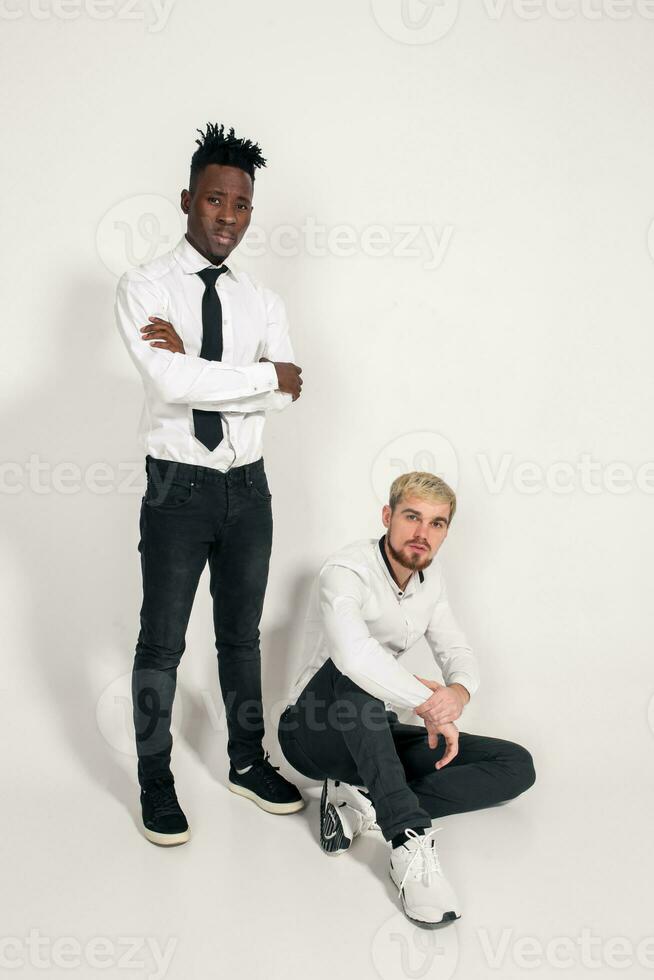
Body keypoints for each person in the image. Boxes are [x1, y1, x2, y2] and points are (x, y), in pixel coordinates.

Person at [115, 122, 305, 847]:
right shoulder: (144, 288)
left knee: (241, 639)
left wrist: (215, 376)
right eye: (216, 199)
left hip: (249, 489)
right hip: (178, 489)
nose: (228, 216)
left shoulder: (264, 300)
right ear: (187, 199)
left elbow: (291, 393)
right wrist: (261, 378)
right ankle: (154, 779)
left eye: (243, 204)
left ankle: (246, 762)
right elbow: (169, 380)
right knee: (161, 643)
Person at [278, 471, 536, 926]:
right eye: (412, 517)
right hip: (312, 732)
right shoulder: (346, 570)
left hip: (372, 733)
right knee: (355, 672)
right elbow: (354, 656)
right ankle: (406, 838)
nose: (422, 533)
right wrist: (426, 702)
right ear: (387, 516)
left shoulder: (430, 583)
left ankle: (366, 800)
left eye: (436, 524)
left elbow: (456, 650)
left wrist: (456, 693)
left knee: (515, 765)